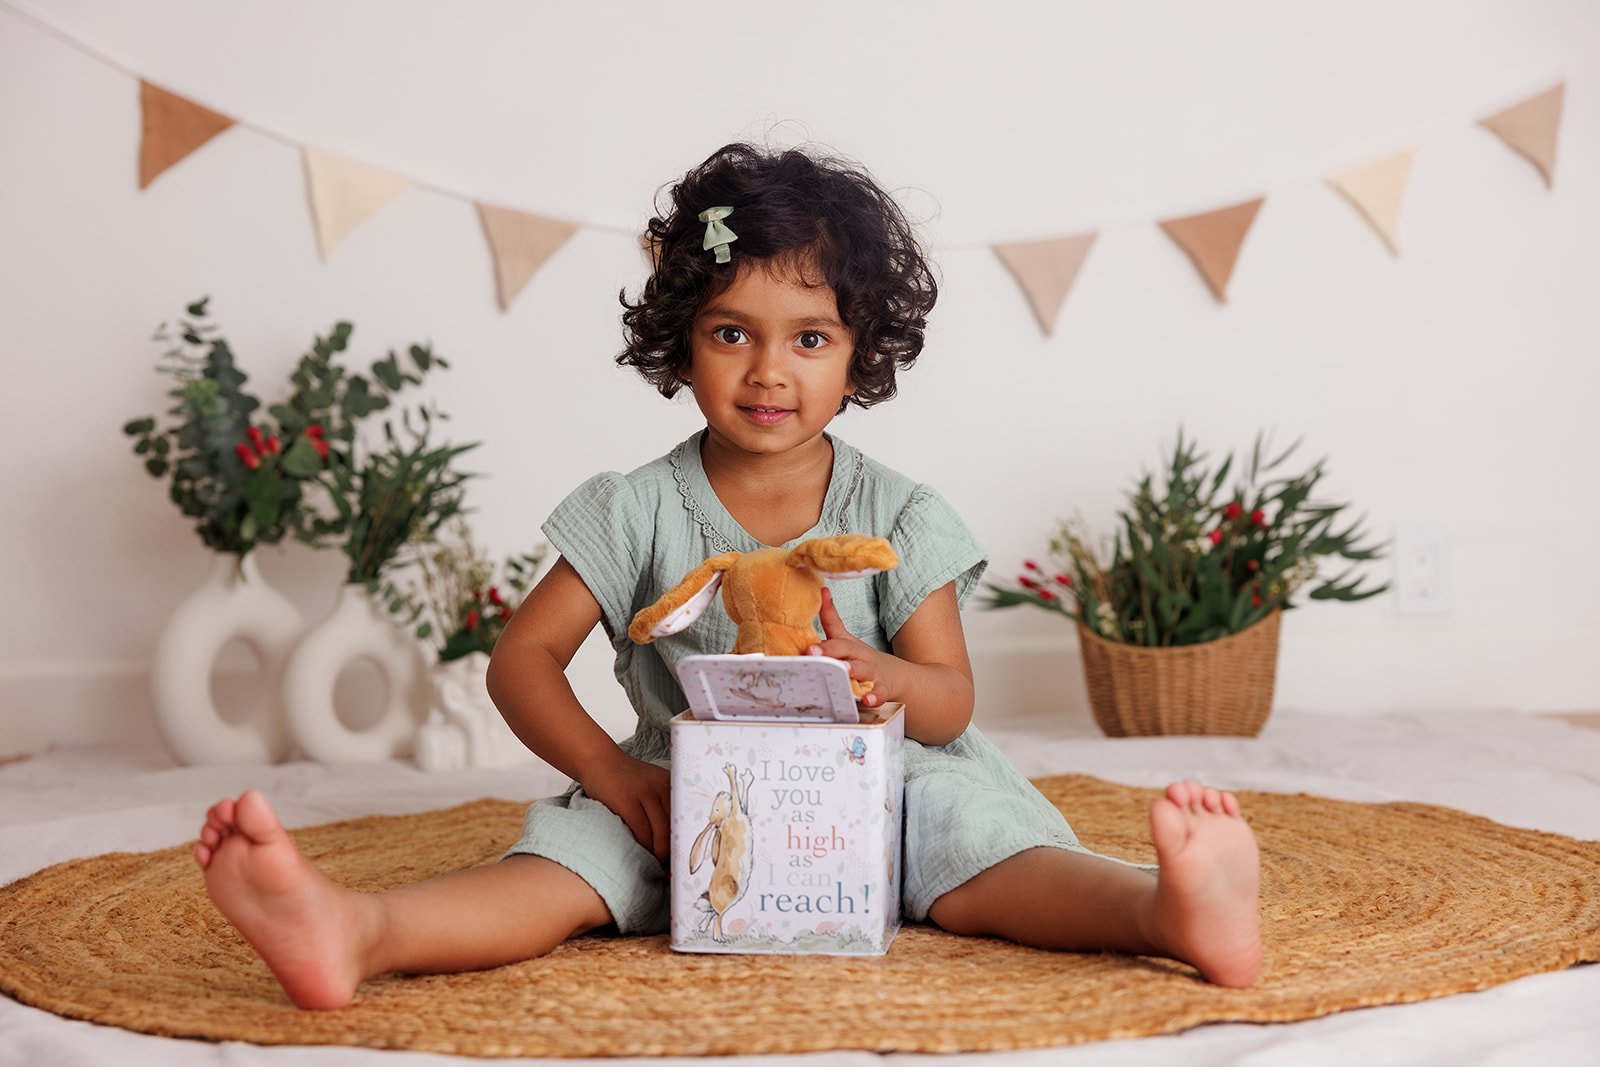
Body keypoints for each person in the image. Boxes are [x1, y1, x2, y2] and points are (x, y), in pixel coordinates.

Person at [193, 143, 1262, 1010]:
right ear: (680, 340)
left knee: (976, 845)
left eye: (809, 337)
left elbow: (951, 702)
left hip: (882, 771)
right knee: (563, 866)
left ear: (859, 352)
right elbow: (521, 660)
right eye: (730, 332)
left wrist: (878, 670)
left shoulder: (894, 513)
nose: (768, 369)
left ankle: (1158, 910)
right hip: (683, 786)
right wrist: (616, 782)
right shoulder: (633, 507)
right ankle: (359, 929)